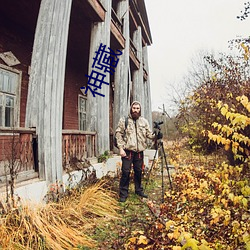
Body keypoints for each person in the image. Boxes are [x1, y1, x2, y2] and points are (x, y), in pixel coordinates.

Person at [115, 101, 160, 202]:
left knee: (138, 171)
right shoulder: (124, 120)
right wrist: (121, 148)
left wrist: (156, 135)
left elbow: (149, 135)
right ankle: (123, 193)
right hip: (127, 151)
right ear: (131, 109)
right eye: (134, 108)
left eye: (137, 108)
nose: (135, 110)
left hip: (139, 151)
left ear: (140, 110)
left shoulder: (144, 121)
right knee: (126, 172)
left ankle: (138, 190)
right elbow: (118, 134)